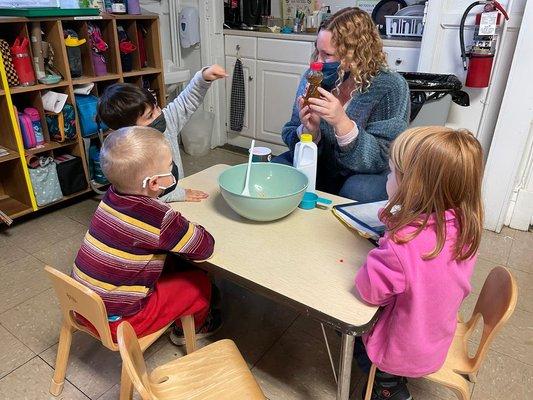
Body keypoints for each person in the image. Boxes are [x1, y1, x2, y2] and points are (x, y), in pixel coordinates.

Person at [354, 127, 484, 400]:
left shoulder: (404, 245)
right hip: (435, 332)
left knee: (354, 336)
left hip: (403, 347)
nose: (388, 178)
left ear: (411, 186)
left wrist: (385, 244)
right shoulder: (463, 224)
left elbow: (369, 291)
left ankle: (390, 388)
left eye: (391, 173)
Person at [71, 126, 221, 344]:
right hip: (120, 323)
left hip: (82, 305)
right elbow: (204, 247)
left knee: (168, 261)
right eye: (170, 167)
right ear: (154, 183)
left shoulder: (110, 196)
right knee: (198, 282)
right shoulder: (158, 217)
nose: (173, 170)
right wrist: (185, 225)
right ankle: (193, 328)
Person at [273, 7, 409, 202]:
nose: (317, 62)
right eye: (317, 52)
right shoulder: (314, 78)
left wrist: (342, 123)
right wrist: (309, 133)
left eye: (326, 55)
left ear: (356, 53)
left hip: (365, 173)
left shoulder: (391, 86)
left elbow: (383, 156)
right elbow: (292, 133)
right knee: (275, 171)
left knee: (358, 191)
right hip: (321, 163)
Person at [97, 64, 227, 203]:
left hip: (176, 191)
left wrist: (203, 78)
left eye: (157, 107)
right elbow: (143, 198)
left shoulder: (166, 120)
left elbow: (185, 101)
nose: (159, 114)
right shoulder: (130, 155)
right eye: (150, 115)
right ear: (129, 130)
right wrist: (177, 195)